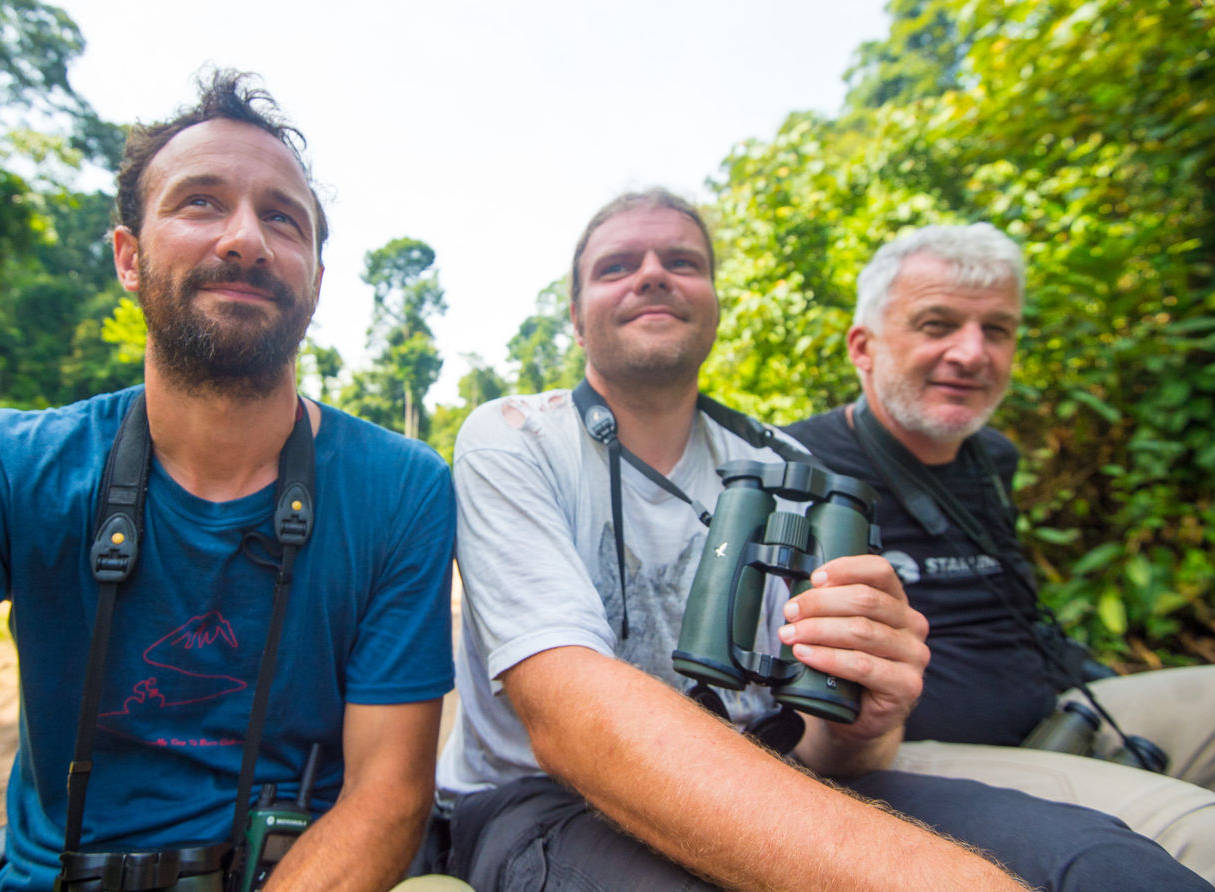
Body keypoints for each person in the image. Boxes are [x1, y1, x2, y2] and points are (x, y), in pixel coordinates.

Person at [429, 188, 1212, 891]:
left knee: (1100, 860)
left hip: (769, 768)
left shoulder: (785, 465)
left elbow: (835, 757)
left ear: (715, 302)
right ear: (576, 313)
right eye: (615, 266)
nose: (653, 275)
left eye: (683, 261)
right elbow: (574, 722)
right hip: (541, 800)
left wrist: (865, 721)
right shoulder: (514, 436)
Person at [0, 71, 459, 892]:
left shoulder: (401, 488)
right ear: (128, 257)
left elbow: (389, 793)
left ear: (315, 281)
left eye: (282, 219)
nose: (245, 239)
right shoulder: (0, 470)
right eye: (199, 203)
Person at [783, 222, 1215, 879]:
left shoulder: (993, 458)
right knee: (1197, 835)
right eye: (937, 324)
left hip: (1057, 710)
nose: (972, 353)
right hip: (900, 750)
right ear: (863, 347)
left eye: (998, 330)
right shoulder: (796, 463)